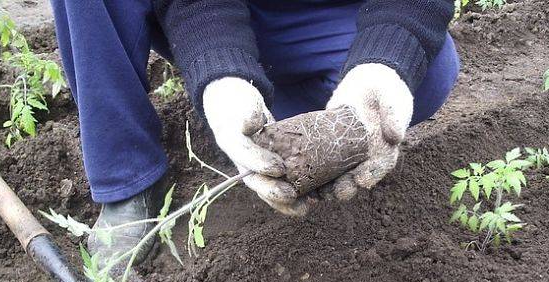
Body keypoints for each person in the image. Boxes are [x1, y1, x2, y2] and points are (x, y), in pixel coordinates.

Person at [50, 0, 459, 263]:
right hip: (213, 10)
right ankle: (128, 178)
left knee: (419, 77)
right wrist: (221, 74)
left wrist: (384, 62)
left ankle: (292, 103)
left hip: (329, 12)